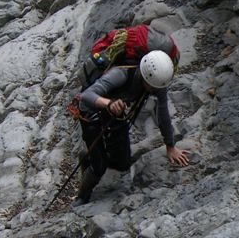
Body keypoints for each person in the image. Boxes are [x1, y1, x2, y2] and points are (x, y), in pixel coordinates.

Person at [75, 49, 190, 202]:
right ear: (145, 77)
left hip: (116, 110)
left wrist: (170, 146)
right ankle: (82, 197)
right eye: (153, 88)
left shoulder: (157, 83)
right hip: (91, 112)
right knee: (99, 166)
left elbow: (163, 115)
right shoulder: (120, 74)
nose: (156, 91)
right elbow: (87, 96)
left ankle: (91, 155)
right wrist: (109, 104)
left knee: (122, 163)